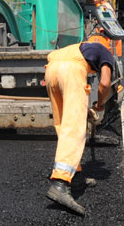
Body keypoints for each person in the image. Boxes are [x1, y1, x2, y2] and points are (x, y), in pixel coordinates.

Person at [45, 40, 113, 216]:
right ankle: (60, 183)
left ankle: (75, 176)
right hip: (71, 72)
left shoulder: (81, 47)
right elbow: (105, 84)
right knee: (74, 127)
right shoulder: (107, 54)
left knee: (63, 124)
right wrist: (100, 105)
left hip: (51, 69)